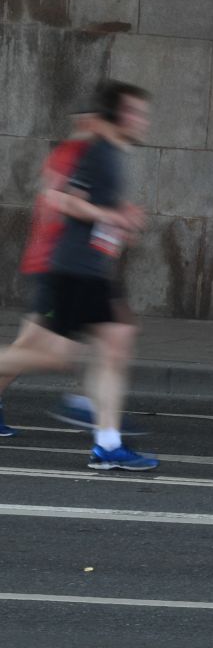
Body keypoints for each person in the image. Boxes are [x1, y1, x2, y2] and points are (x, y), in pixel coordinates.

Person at [0, 82, 156, 469]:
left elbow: (91, 207)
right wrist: (112, 217)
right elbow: (63, 198)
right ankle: (104, 437)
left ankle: (107, 444)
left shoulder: (108, 154)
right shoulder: (90, 150)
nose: (142, 121)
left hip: (88, 269)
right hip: (70, 268)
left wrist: (121, 219)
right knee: (54, 355)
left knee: (117, 339)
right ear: (111, 116)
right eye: (135, 113)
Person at [0, 111, 101, 439]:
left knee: (32, 345)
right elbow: (69, 211)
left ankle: (91, 402)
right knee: (55, 352)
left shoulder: (67, 156)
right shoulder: (80, 159)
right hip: (59, 266)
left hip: (55, 264)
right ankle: (88, 403)